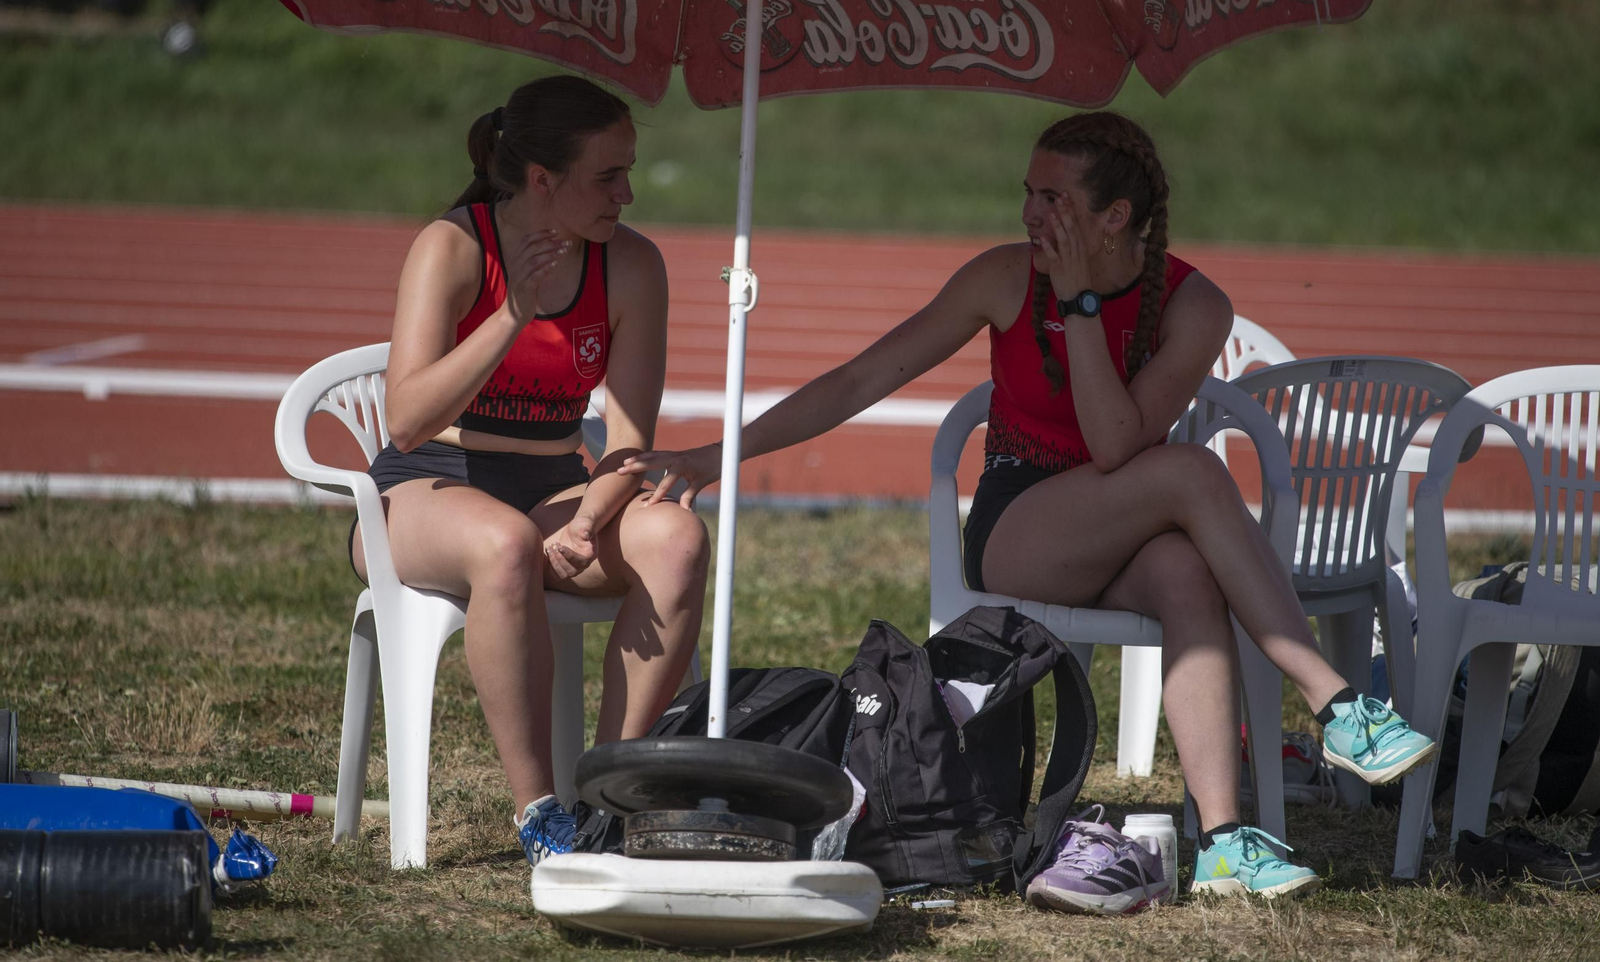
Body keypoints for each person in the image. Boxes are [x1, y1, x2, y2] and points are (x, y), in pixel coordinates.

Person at [620, 111, 1436, 904]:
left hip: (1125, 534)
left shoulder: (1194, 306)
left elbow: (1116, 445)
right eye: (1029, 192)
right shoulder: (1006, 277)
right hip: (1022, 529)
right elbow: (862, 380)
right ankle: (1336, 701)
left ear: (1117, 217)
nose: (1030, 213)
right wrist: (710, 458)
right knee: (1188, 471)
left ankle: (1225, 845)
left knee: (1188, 572)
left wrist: (1082, 304)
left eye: (1055, 200)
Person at [351, 75, 709, 872]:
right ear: (542, 180)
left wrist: (588, 521)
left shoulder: (633, 265)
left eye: (630, 170)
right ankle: (539, 810)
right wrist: (514, 314)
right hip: (425, 483)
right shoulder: (452, 245)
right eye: (607, 175)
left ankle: (611, 799)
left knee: (678, 538)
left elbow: (629, 437)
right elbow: (406, 417)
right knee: (507, 546)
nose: (628, 192)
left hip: (559, 483)